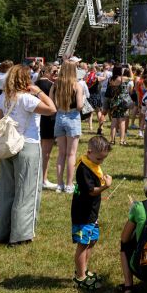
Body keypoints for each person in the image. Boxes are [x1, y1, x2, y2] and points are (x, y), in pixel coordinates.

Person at [0, 64, 57, 245]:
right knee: (27, 192)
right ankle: (21, 234)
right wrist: (39, 93)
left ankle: (3, 232)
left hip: (8, 146)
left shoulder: (4, 97)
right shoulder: (27, 99)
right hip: (28, 145)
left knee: (7, 191)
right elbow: (52, 109)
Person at [71, 135, 112, 291]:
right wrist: (105, 186)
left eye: (103, 159)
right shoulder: (83, 169)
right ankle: (80, 277)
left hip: (92, 213)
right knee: (83, 244)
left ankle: (84, 270)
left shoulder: (93, 165)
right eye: (99, 158)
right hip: (83, 214)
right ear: (89, 152)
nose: (101, 162)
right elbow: (91, 192)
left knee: (92, 241)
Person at [50, 61, 85, 194]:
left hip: (59, 116)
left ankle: (60, 184)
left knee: (61, 154)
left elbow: (51, 101)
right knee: (71, 154)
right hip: (73, 117)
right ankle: (69, 184)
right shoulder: (77, 85)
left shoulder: (55, 85)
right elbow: (80, 106)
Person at [36, 64, 58, 190]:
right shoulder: (51, 86)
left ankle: (38, 178)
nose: (56, 74)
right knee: (46, 153)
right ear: (47, 72)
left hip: (36, 119)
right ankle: (43, 179)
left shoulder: (34, 84)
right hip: (48, 119)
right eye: (54, 71)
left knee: (37, 151)